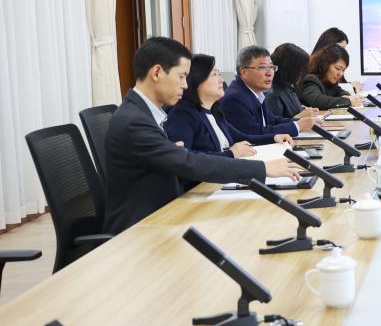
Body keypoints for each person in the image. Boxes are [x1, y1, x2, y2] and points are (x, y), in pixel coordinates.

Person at [103, 38, 303, 235]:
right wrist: (263, 168)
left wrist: (173, 153)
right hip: (141, 228)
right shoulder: (134, 121)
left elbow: (178, 160)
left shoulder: (146, 114)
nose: (185, 85)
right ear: (157, 73)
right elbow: (189, 163)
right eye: (181, 76)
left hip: (166, 214)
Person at [165, 54, 294, 159]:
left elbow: (241, 137)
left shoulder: (214, 111)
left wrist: (274, 138)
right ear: (196, 79)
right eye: (215, 74)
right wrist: (231, 154)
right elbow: (186, 157)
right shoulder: (182, 116)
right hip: (205, 182)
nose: (221, 80)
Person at [219, 45, 318, 136]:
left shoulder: (255, 92)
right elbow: (255, 132)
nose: (269, 73)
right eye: (262, 67)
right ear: (243, 72)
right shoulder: (235, 98)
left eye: (271, 67)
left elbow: (272, 121)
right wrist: (297, 126)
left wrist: (304, 122)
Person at [300, 44, 364, 110]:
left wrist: (347, 97)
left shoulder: (327, 81)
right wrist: (348, 101)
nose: (340, 74)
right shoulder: (311, 79)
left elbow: (340, 91)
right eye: (338, 68)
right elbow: (316, 101)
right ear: (325, 64)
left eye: (343, 70)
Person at [266, 43, 318, 119]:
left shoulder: (287, 87)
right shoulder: (272, 94)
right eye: (300, 69)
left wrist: (304, 110)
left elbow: (293, 111)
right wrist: (299, 117)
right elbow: (274, 125)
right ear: (290, 68)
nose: (303, 74)